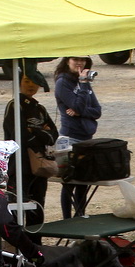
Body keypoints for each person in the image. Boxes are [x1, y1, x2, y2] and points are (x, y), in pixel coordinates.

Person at [3, 64, 58, 242]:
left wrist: (36, 133)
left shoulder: (40, 108)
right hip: (19, 164)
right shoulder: (14, 106)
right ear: (18, 83)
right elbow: (19, 135)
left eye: (35, 82)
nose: (31, 85)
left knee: (37, 206)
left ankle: (36, 244)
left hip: (40, 164)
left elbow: (53, 134)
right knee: (17, 205)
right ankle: (16, 244)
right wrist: (40, 133)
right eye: (27, 81)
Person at [54, 56, 102, 219]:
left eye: (83, 60)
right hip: (69, 138)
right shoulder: (63, 83)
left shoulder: (84, 82)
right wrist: (82, 85)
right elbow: (79, 105)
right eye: (76, 59)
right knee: (69, 183)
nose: (80, 63)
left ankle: (80, 216)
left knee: (84, 182)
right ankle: (67, 220)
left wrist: (81, 111)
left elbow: (97, 111)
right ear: (67, 61)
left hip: (87, 138)